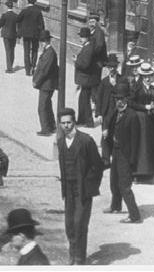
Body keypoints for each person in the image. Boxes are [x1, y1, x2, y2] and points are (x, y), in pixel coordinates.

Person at [57, 108, 103, 265]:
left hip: (83, 189)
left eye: (69, 122)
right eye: (63, 123)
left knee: (80, 223)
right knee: (69, 224)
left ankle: (80, 258)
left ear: (74, 122)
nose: (66, 126)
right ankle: (72, 254)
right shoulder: (61, 142)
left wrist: (89, 185)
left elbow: (98, 165)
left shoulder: (86, 140)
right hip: (68, 189)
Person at [103, 82, 142, 223]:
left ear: (127, 99)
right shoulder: (115, 112)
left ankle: (134, 215)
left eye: (121, 99)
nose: (119, 101)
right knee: (114, 181)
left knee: (124, 185)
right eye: (116, 99)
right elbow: (109, 122)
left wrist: (132, 160)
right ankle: (115, 206)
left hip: (126, 154)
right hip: (116, 151)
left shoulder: (132, 116)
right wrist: (106, 130)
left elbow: (136, 141)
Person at [128, 62, 154, 180]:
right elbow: (130, 102)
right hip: (139, 118)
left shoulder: (153, 89)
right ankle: (136, 172)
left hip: (149, 119)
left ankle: (147, 171)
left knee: (147, 143)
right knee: (139, 144)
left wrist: (153, 107)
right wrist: (144, 107)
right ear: (142, 76)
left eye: (149, 76)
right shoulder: (136, 88)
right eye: (145, 76)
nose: (147, 78)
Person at [96, 53, 123, 167]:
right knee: (105, 134)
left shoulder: (121, 79)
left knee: (116, 134)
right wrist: (98, 114)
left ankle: (116, 159)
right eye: (109, 67)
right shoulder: (104, 81)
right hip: (106, 111)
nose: (111, 69)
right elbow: (99, 98)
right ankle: (106, 160)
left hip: (118, 111)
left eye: (113, 67)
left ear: (117, 67)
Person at [32, 30, 58, 136]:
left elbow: (44, 70)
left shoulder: (49, 53)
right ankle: (51, 126)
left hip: (46, 84)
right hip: (47, 84)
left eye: (43, 41)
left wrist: (36, 81)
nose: (41, 43)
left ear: (47, 41)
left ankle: (45, 129)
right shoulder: (48, 51)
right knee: (47, 105)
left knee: (42, 107)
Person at [74, 27, 101, 127]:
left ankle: (88, 122)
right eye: (80, 36)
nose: (80, 39)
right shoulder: (87, 46)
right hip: (86, 78)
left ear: (87, 38)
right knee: (82, 99)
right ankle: (82, 119)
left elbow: (85, 64)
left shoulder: (88, 48)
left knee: (85, 100)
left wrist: (76, 61)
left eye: (82, 37)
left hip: (86, 78)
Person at [16, 0, 44, 76]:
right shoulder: (38, 11)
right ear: (35, 1)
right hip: (35, 34)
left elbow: (17, 19)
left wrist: (21, 28)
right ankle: (33, 67)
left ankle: (27, 70)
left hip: (26, 35)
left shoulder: (24, 11)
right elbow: (42, 24)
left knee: (26, 52)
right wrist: (41, 34)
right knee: (35, 51)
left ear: (28, 1)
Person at [88, 11, 108, 107]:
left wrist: (90, 54)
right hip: (93, 61)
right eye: (90, 21)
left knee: (95, 82)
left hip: (97, 62)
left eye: (93, 21)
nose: (91, 23)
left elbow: (99, 47)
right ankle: (94, 100)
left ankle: (96, 103)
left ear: (97, 22)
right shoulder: (92, 32)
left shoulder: (99, 32)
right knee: (92, 82)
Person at [0, 0, 18, 73]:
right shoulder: (16, 16)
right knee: (12, 50)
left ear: (7, 7)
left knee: (8, 51)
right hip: (13, 35)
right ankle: (11, 65)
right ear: (12, 7)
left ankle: (9, 68)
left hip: (6, 35)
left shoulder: (4, 15)